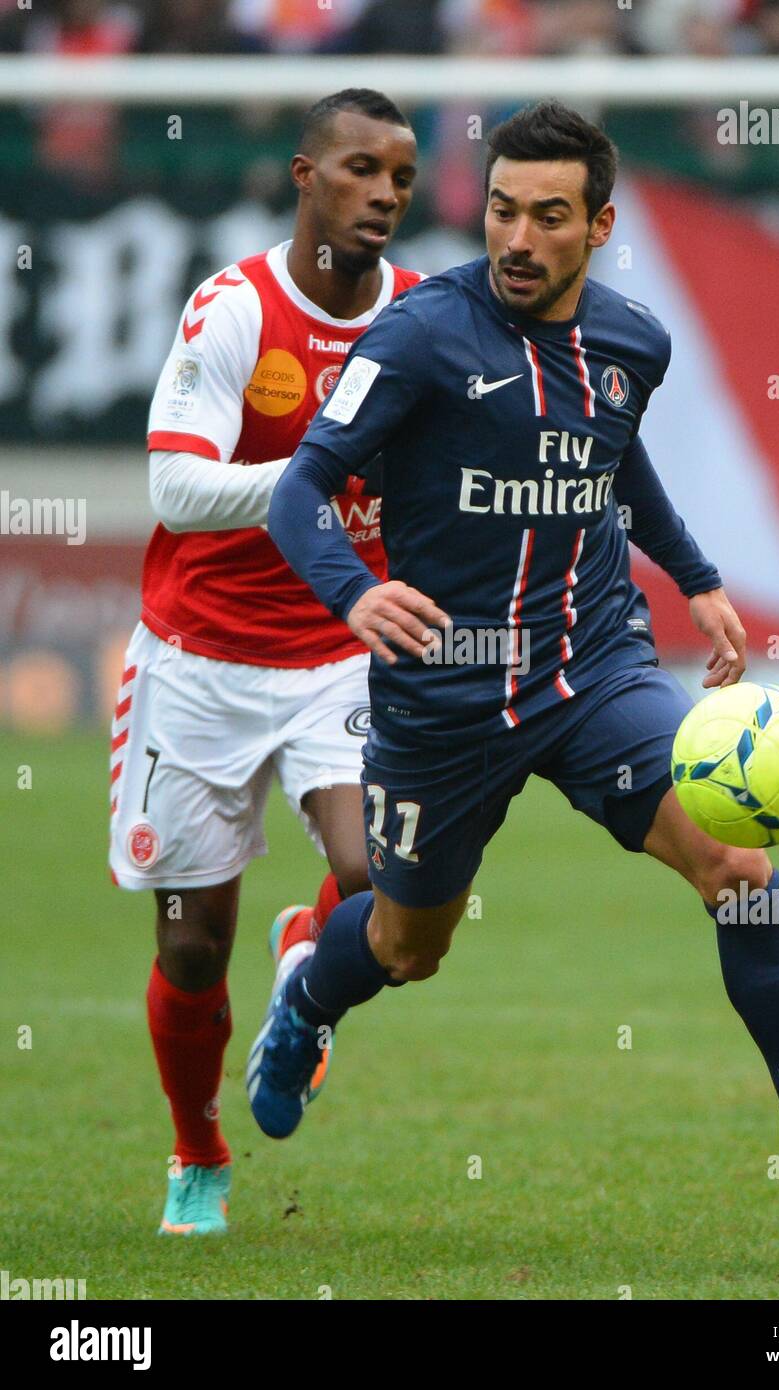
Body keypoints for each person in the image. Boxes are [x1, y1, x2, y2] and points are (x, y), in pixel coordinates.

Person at [253, 101, 779, 1235]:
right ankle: (308, 997)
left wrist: (696, 573)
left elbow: (614, 457)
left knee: (741, 872)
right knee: (408, 947)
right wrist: (356, 590)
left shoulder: (633, 341)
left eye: (549, 216)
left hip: (591, 669)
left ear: (599, 225)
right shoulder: (420, 338)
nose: (517, 237)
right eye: (502, 210)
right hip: (445, 692)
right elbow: (296, 492)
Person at [109, 88, 423, 1235]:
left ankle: (313, 960)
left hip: (342, 652)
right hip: (200, 659)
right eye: (359, 169)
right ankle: (198, 1150)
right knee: (191, 948)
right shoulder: (235, 307)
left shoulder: (423, 316)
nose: (383, 192)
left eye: (400, 173)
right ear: (304, 176)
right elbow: (177, 490)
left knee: (378, 885)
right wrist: (319, 481)